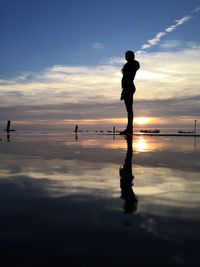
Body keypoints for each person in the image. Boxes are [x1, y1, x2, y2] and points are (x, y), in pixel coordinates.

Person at [120, 50, 140, 135]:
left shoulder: (133, 64)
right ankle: (129, 128)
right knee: (128, 110)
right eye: (125, 55)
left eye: (127, 55)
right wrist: (123, 91)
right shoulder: (128, 64)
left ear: (131, 56)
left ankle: (129, 129)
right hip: (126, 88)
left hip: (129, 87)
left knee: (129, 110)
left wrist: (125, 90)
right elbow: (125, 78)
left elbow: (128, 78)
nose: (125, 57)